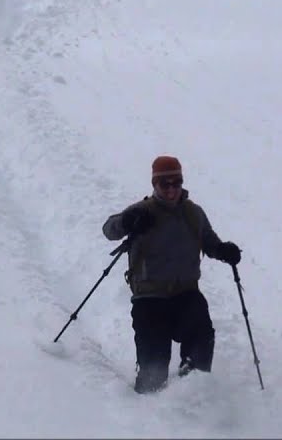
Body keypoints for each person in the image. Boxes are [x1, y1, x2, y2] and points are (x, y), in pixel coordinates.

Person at [102, 155, 242, 394]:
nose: (171, 189)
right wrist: (127, 221)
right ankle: (148, 414)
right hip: (149, 299)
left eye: (176, 183)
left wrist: (223, 251)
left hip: (186, 294)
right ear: (154, 185)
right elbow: (109, 229)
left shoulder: (193, 213)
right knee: (153, 375)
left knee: (201, 336)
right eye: (164, 184)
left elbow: (209, 242)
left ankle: (194, 391)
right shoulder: (142, 211)